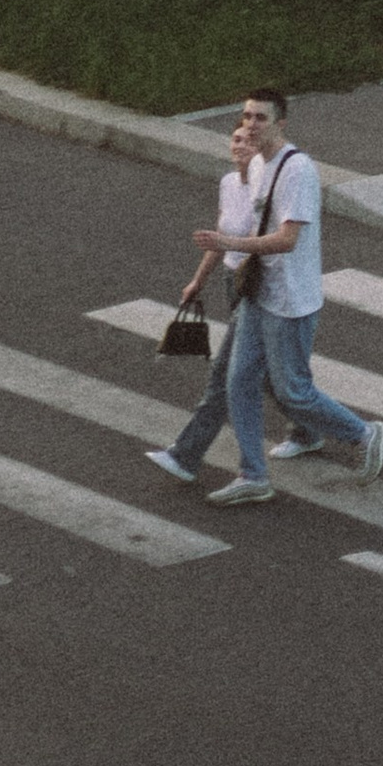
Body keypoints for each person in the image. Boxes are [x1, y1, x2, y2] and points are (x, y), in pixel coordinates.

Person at [222, 91, 383, 486]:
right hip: (261, 291)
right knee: (240, 379)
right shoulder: (259, 164)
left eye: (260, 118)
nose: (250, 124)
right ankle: (253, 475)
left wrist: (231, 245)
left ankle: (363, 433)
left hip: (291, 299)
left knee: (293, 390)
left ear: (281, 123)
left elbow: (287, 239)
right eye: (246, 116)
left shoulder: (297, 170)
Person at [145, 103, 278, 503]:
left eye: (248, 140)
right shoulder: (227, 184)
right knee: (265, 371)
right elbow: (220, 238)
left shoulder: (263, 188)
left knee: (227, 373)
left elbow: (261, 242)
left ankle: (186, 455)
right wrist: (196, 281)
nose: (240, 144)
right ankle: (308, 428)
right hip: (230, 281)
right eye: (236, 138)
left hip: (255, 285)